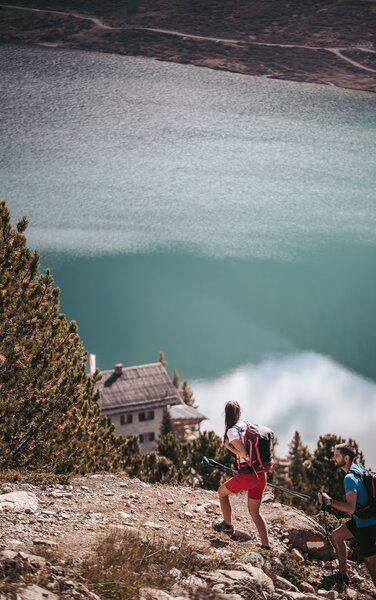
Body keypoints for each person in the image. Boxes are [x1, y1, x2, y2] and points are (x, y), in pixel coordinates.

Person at [212, 400, 270, 548]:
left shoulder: (232, 431)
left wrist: (228, 447)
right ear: (239, 413)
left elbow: (245, 455)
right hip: (261, 475)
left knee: (222, 492)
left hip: (247, 476)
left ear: (226, 415)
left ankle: (227, 525)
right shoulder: (247, 425)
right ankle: (266, 546)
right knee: (254, 512)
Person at [318, 443, 376, 588]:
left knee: (370, 563)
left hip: (366, 524)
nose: (333, 459)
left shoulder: (349, 478)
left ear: (346, 458)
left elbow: (350, 508)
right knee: (337, 536)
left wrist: (329, 502)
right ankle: (343, 575)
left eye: (336, 455)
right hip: (362, 519)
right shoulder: (359, 468)